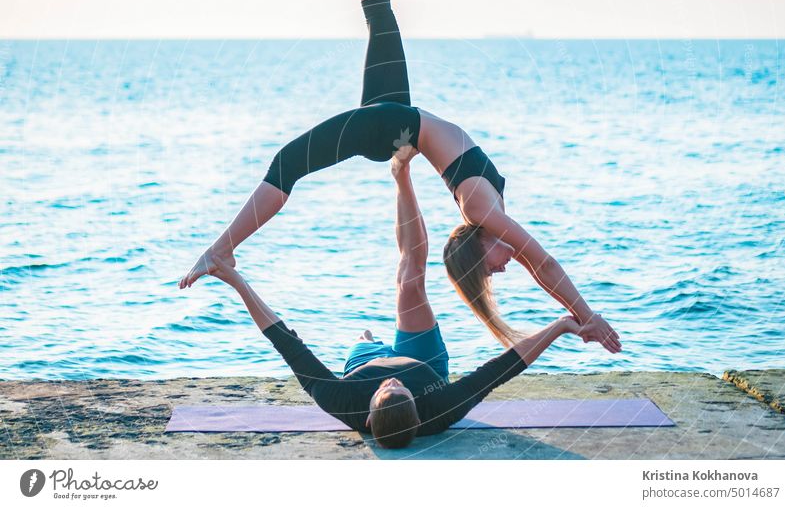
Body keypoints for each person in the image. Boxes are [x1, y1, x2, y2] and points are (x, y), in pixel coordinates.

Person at [179, 0, 621, 354]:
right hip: (397, 123)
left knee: (289, 163)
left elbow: (543, 265)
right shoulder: (485, 208)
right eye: (499, 267)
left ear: (477, 247)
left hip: (393, 128)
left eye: (493, 269)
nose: (504, 265)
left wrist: (582, 315)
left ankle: (223, 249)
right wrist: (586, 314)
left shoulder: (480, 209)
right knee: (380, 18)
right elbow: (545, 263)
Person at [208, 152, 588, 448]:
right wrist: (560, 326)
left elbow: (285, 341)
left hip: (362, 364)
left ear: (368, 419)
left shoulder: (342, 400)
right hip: (424, 364)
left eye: (385, 389)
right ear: (416, 407)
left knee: (372, 331)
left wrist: (236, 281)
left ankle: (367, 340)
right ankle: (402, 173)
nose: (392, 380)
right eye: (399, 388)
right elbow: (501, 368)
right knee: (411, 282)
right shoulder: (441, 409)